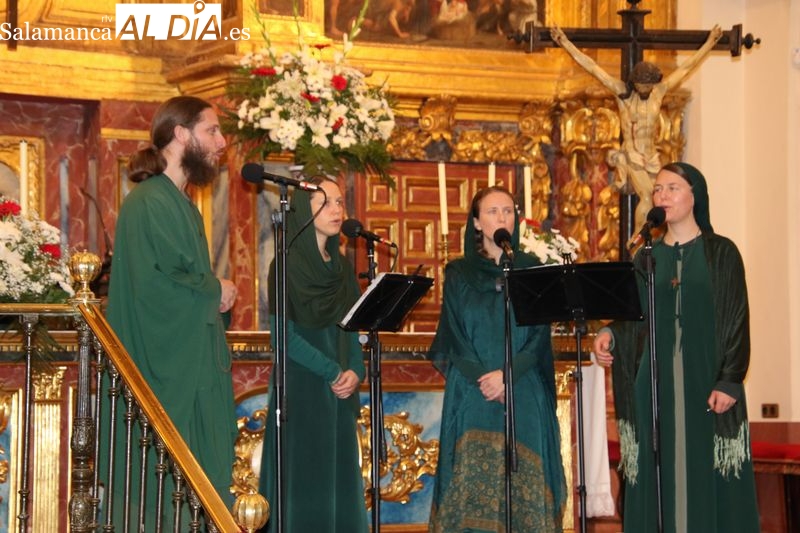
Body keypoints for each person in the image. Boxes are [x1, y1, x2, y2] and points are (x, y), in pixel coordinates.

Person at [593, 162, 759, 532]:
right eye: (658, 189)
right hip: (654, 384)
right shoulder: (646, 257)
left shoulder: (721, 253)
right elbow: (633, 317)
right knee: (659, 470)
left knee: (707, 470)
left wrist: (730, 379)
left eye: (673, 188)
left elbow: (736, 316)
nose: (662, 195)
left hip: (707, 380)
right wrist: (610, 334)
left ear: (695, 196)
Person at [104, 96, 238, 527]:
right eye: (212, 131)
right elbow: (154, 289)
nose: (221, 142)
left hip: (195, 364)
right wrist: (214, 289)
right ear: (181, 134)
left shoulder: (182, 203)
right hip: (166, 377)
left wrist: (213, 294)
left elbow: (181, 279)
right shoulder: (149, 202)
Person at [429, 186, 566, 532]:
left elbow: (539, 335)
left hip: (522, 387)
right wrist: (485, 378)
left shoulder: (531, 269)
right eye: (492, 211)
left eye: (507, 211)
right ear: (476, 222)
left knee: (524, 488)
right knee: (471, 485)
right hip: (472, 391)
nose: (502, 217)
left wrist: (507, 375)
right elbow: (454, 334)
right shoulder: (459, 272)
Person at [257, 177, 368, 533]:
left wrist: (356, 370)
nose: (337, 210)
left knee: (338, 486)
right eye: (326, 202)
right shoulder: (284, 265)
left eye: (339, 202)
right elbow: (283, 337)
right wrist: (331, 371)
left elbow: (353, 328)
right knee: (303, 486)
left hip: (340, 393)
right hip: (302, 391)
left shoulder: (342, 268)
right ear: (304, 210)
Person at [550, 25, 723, 231]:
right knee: (649, 197)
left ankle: (653, 238)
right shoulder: (623, 94)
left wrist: (710, 43)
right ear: (635, 82)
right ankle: (638, 241)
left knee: (661, 199)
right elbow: (593, 68)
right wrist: (565, 43)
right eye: (642, 85)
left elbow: (686, 67)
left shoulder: (658, 92)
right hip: (632, 156)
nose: (646, 89)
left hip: (651, 156)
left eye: (649, 85)